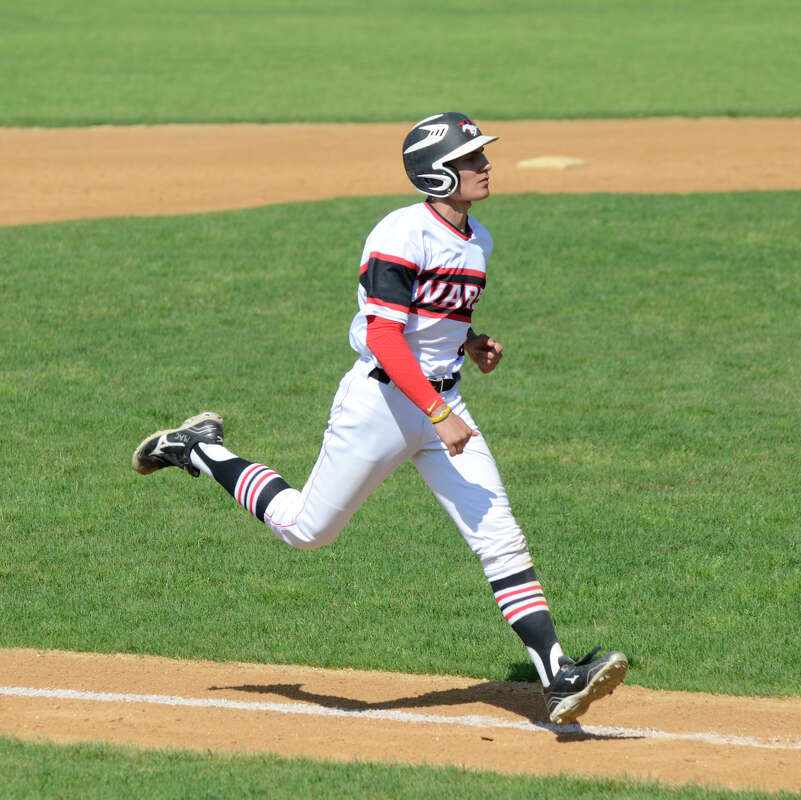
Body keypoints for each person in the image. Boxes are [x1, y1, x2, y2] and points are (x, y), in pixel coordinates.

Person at [131, 112, 628, 726]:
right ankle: (199, 449)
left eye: (481, 155)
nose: (484, 164)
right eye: (471, 157)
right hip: (383, 405)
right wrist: (440, 412)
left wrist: (470, 341)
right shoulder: (399, 234)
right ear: (438, 173)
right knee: (306, 530)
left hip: (442, 405)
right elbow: (386, 337)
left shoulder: (479, 239)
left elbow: (433, 313)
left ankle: (557, 677)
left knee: (499, 538)